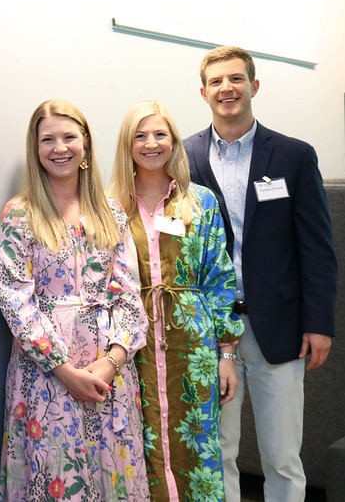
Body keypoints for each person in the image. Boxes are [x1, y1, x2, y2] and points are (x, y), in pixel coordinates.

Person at [184, 46, 337, 502]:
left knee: (282, 456)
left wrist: (319, 323)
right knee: (218, 451)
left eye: (235, 79)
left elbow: (317, 248)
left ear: (253, 86)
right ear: (203, 92)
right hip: (211, 331)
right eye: (216, 82)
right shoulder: (184, 155)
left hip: (281, 324)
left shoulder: (293, 155)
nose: (226, 89)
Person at [0, 99, 150, 501]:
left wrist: (112, 360)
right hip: (47, 375)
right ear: (36, 148)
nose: (59, 147)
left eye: (69, 137)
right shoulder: (20, 214)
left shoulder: (111, 213)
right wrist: (63, 369)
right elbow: (15, 300)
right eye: (48, 139)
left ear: (85, 144)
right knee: (56, 476)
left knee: (113, 473)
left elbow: (130, 293)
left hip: (109, 372)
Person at [108, 100, 244, 501]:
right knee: (137, 440)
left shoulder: (200, 202)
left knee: (198, 444)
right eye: (141, 135)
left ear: (174, 141)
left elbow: (220, 278)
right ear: (127, 143)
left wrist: (227, 354)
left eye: (160, 134)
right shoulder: (109, 205)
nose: (151, 143)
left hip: (194, 347)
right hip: (132, 346)